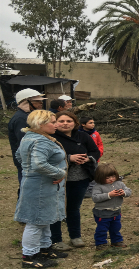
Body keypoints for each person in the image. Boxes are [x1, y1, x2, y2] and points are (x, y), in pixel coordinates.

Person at [14, 110, 68, 268]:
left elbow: (19, 156)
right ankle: (29, 256)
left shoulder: (30, 137)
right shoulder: (41, 141)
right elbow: (39, 164)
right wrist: (60, 173)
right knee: (35, 221)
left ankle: (44, 249)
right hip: (39, 186)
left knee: (44, 219)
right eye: (53, 122)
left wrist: (26, 171)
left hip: (40, 184)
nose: (56, 125)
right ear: (41, 124)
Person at [50, 111, 101, 251]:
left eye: (69, 121)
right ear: (55, 123)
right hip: (57, 179)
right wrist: (69, 158)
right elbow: (47, 158)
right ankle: (56, 239)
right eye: (61, 121)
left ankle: (75, 236)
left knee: (73, 208)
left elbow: (95, 151)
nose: (65, 124)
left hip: (80, 178)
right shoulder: (51, 138)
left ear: (75, 123)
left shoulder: (83, 135)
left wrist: (88, 159)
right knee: (56, 209)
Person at [8, 88, 47, 194]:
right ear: (26, 101)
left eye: (41, 101)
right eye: (37, 101)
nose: (41, 103)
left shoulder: (27, 116)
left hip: (30, 159)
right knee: (27, 190)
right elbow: (25, 141)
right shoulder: (21, 119)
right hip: (26, 161)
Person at [92, 163, 132, 250]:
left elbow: (129, 191)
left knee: (116, 227)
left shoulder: (119, 184)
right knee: (102, 229)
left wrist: (124, 193)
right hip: (102, 213)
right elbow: (95, 198)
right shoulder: (98, 187)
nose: (111, 179)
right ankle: (101, 243)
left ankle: (116, 241)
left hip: (116, 211)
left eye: (113, 176)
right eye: (107, 178)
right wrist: (109, 195)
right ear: (100, 177)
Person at [79, 116, 104, 198]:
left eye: (93, 122)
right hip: (82, 158)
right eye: (90, 123)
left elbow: (100, 144)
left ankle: (91, 190)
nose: (93, 124)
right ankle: (84, 190)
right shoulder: (78, 134)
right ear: (83, 124)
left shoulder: (95, 134)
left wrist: (99, 153)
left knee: (94, 173)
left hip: (94, 158)